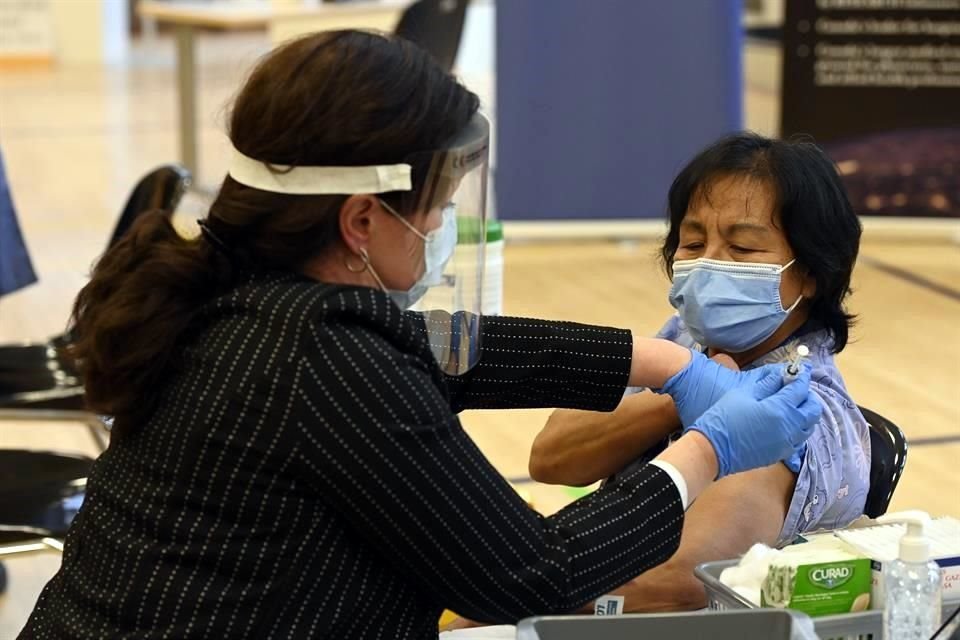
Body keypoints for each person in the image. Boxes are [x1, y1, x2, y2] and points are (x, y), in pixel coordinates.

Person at [20, 33, 820, 640]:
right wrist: (705, 450)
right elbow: (531, 574)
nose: (441, 227)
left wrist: (666, 362)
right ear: (363, 219)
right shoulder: (323, 363)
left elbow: (440, 345)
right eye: (435, 206)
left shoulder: (230, 285)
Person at [527, 132, 868, 613]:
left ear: (811, 271)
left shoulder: (794, 407)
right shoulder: (686, 340)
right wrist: (681, 392)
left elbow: (680, 585)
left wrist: (507, 594)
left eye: (743, 248)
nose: (708, 262)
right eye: (692, 242)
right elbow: (552, 457)